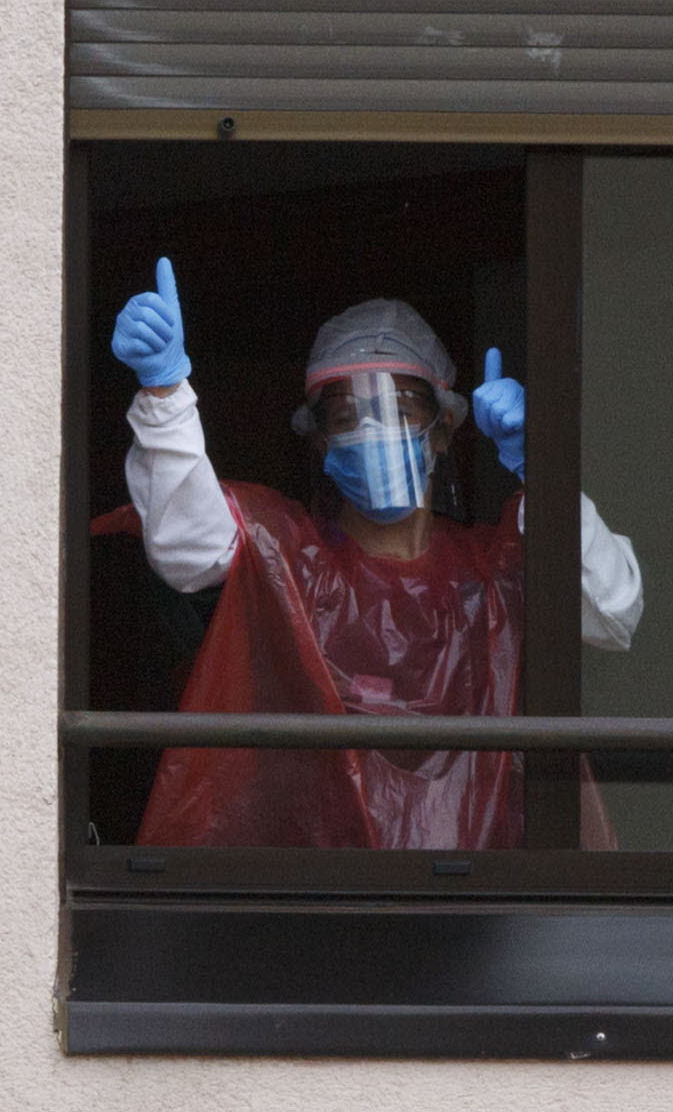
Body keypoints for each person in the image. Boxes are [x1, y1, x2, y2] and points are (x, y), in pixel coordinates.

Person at [101, 256, 644, 850]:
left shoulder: (494, 572)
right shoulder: (289, 556)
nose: (374, 430)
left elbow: (612, 611)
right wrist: (164, 393)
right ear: (321, 441)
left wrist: (542, 469)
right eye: (347, 416)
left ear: (444, 430)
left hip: (480, 895)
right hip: (318, 889)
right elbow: (187, 548)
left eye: (401, 410)